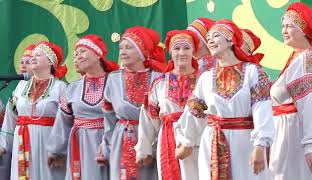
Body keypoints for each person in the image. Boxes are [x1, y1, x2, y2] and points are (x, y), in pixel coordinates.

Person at [174, 19, 274, 180]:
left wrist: (260, 145)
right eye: (208, 38)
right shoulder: (206, 78)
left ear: (231, 40)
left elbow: (262, 109)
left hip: (244, 142)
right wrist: (186, 142)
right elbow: (193, 112)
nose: (210, 41)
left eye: (216, 36)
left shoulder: (252, 72)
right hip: (212, 142)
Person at [98, 26, 166, 180]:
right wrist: (106, 145)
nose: (122, 52)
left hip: (152, 139)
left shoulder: (159, 78)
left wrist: (151, 149)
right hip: (121, 139)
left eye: (129, 47)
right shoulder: (113, 79)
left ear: (142, 51)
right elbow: (108, 118)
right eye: (121, 47)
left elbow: (164, 118)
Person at [47, 34, 119, 180]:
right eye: (75, 55)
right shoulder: (72, 88)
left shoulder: (115, 83)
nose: (78, 57)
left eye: (82, 52)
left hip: (110, 142)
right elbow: (63, 121)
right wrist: (56, 151)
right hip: (80, 144)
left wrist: (109, 144)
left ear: (98, 54)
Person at [135, 30, 200, 180]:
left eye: (186, 48)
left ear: (193, 51)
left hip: (198, 138)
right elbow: (148, 117)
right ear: (170, 52)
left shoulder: (203, 79)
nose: (181, 53)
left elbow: (208, 112)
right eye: (177, 48)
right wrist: (144, 149)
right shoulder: (160, 83)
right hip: (168, 138)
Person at [0, 41, 68, 180]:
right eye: (32, 55)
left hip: (49, 147)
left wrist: (61, 151)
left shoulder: (61, 88)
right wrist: (2, 145)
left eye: (38, 54)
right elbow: (10, 120)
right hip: (22, 145)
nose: (33, 57)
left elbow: (67, 123)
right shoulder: (20, 87)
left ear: (50, 62)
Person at [269, 2, 312, 180]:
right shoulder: (297, 56)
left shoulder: (307, 57)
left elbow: (310, 101)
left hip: (294, 135)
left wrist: (311, 144)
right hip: (286, 134)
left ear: (304, 29)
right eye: (283, 25)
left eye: (289, 26)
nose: (283, 30)